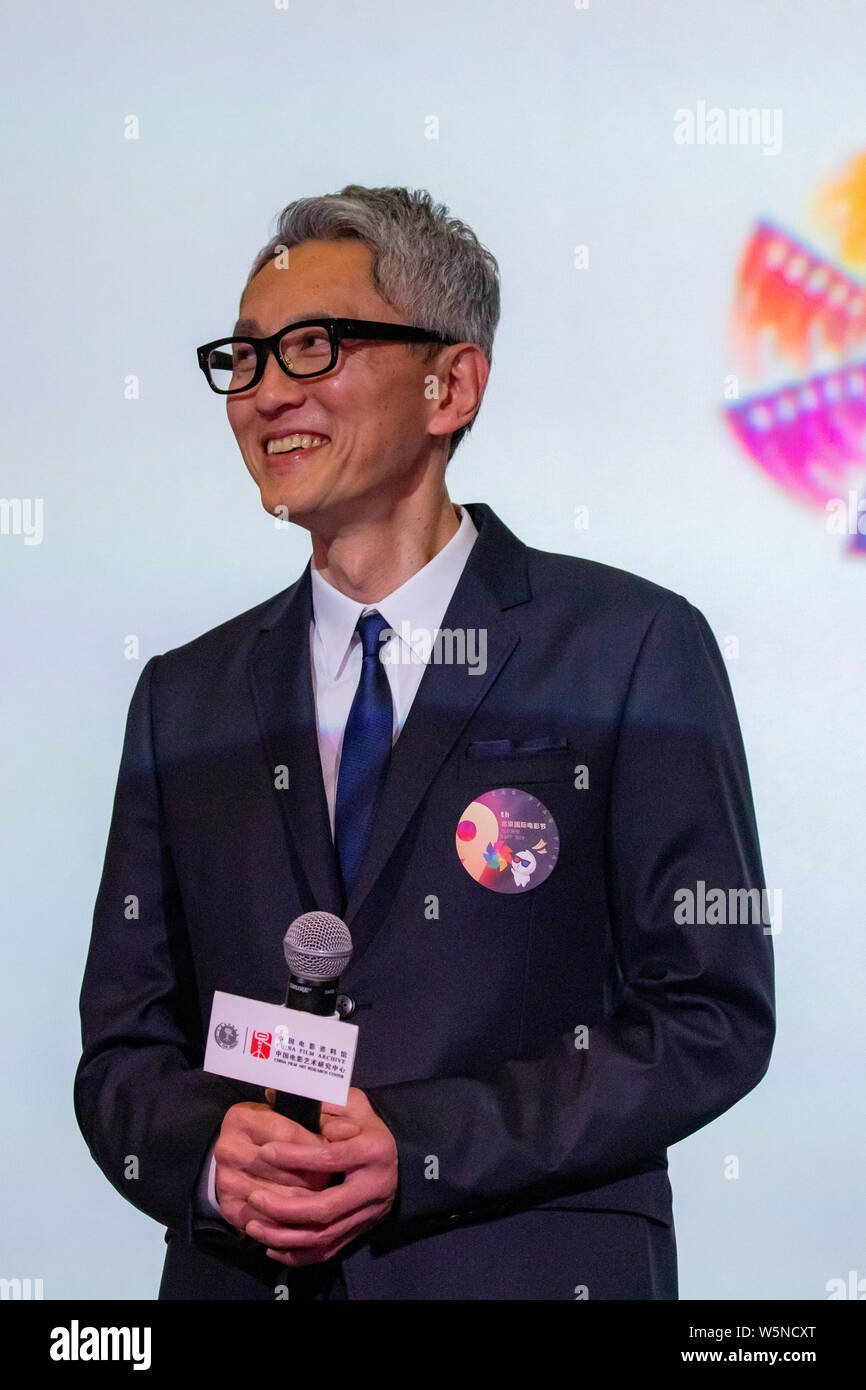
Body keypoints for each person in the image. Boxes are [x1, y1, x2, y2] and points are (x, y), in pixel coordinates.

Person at [74, 185, 775, 1301]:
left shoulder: (629, 646)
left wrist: (423, 1142)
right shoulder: (185, 696)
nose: (266, 394)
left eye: (313, 347)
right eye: (244, 360)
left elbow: (707, 1015)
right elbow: (122, 1052)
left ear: (450, 383)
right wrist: (211, 1156)